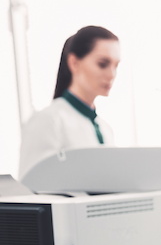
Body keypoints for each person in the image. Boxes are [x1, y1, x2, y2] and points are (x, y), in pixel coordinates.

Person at [19, 26, 120, 179]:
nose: (111, 74)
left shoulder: (105, 128)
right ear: (74, 63)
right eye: (102, 64)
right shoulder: (48, 121)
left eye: (116, 65)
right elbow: (30, 186)